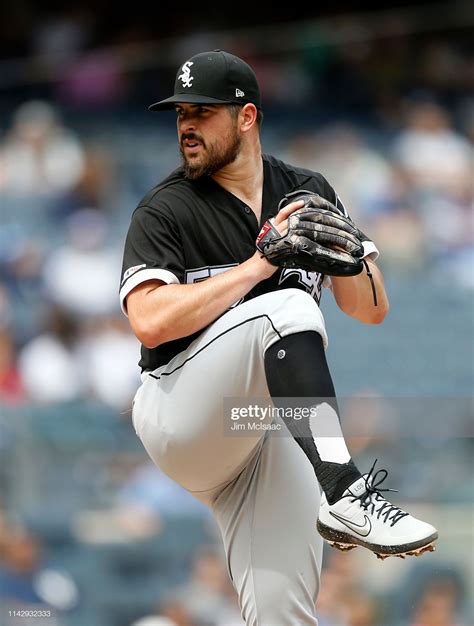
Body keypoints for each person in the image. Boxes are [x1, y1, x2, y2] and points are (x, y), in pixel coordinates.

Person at [119, 50, 438, 625]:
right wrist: (259, 265)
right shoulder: (166, 207)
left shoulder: (306, 189)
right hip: (182, 411)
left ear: (246, 117)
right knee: (283, 305)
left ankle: (338, 493)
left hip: (265, 427)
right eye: (180, 114)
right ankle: (346, 492)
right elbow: (148, 319)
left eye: (202, 111)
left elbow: (369, 311)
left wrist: (351, 256)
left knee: (284, 615)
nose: (186, 126)